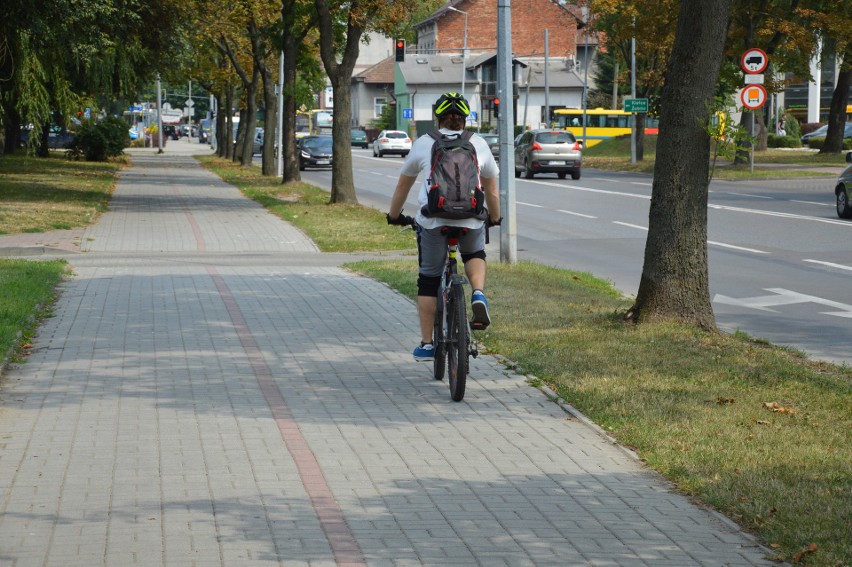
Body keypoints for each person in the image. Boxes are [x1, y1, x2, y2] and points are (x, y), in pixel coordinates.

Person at [386, 92, 501, 362]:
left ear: (438, 118)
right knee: (474, 255)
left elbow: (403, 186)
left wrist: (394, 215)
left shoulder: (425, 143)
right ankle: (479, 294)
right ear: (465, 118)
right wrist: (494, 218)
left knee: (428, 280)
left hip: (434, 220)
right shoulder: (479, 143)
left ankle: (427, 344)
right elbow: (493, 191)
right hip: (470, 219)